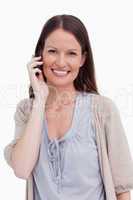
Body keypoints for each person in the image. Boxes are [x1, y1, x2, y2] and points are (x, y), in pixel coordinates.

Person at [4, 14, 133, 200]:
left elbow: (122, 190)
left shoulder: (103, 110)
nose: (61, 62)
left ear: (82, 59)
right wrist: (40, 99)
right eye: (52, 51)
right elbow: (22, 169)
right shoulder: (27, 111)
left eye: (71, 53)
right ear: (40, 54)